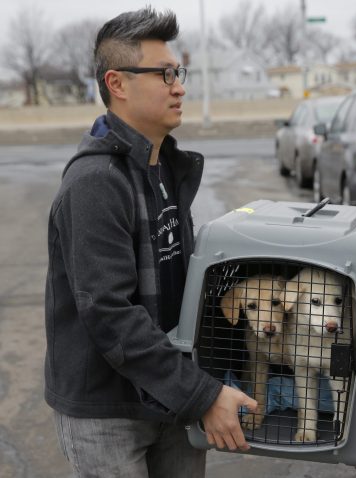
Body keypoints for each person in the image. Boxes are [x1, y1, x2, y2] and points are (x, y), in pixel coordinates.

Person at [44, 7, 257, 477]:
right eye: (164, 74)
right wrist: (203, 395)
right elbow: (110, 315)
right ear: (117, 84)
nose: (179, 86)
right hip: (110, 409)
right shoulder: (95, 182)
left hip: (170, 395)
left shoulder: (164, 168)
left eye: (177, 73)